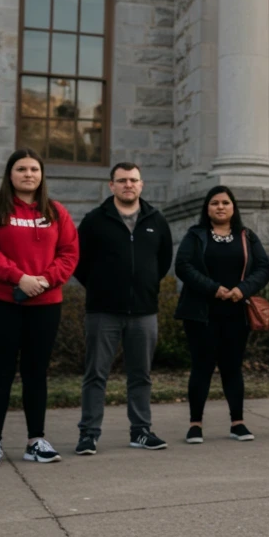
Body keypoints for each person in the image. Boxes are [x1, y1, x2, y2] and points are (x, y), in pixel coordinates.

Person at [0, 148, 79, 468]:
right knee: (1, 371)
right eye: (21, 169)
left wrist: (43, 281)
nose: (28, 174)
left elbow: (69, 253)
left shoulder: (56, 212)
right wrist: (19, 277)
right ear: (10, 174)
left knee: (36, 373)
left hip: (44, 304)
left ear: (41, 175)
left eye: (34, 169)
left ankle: (36, 440)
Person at [73, 162, 174, 454]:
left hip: (144, 312)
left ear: (141, 185)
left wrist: (147, 287)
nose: (128, 185)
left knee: (141, 375)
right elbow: (79, 262)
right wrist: (99, 287)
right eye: (122, 180)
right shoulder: (95, 220)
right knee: (95, 374)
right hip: (103, 311)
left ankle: (141, 431)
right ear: (111, 185)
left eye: (133, 180)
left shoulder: (157, 220)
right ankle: (89, 434)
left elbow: (163, 260)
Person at [174, 186, 269, 443]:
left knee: (232, 368)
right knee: (201, 368)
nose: (220, 207)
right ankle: (195, 425)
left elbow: (263, 267)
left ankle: (237, 423)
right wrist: (213, 289)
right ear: (207, 208)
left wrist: (242, 289)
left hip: (236, 313)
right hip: (201, 313)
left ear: (233, 207)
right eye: (215, 203)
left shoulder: (246, 236)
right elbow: (182, 266)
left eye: (225, 203)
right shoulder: (195, 235)